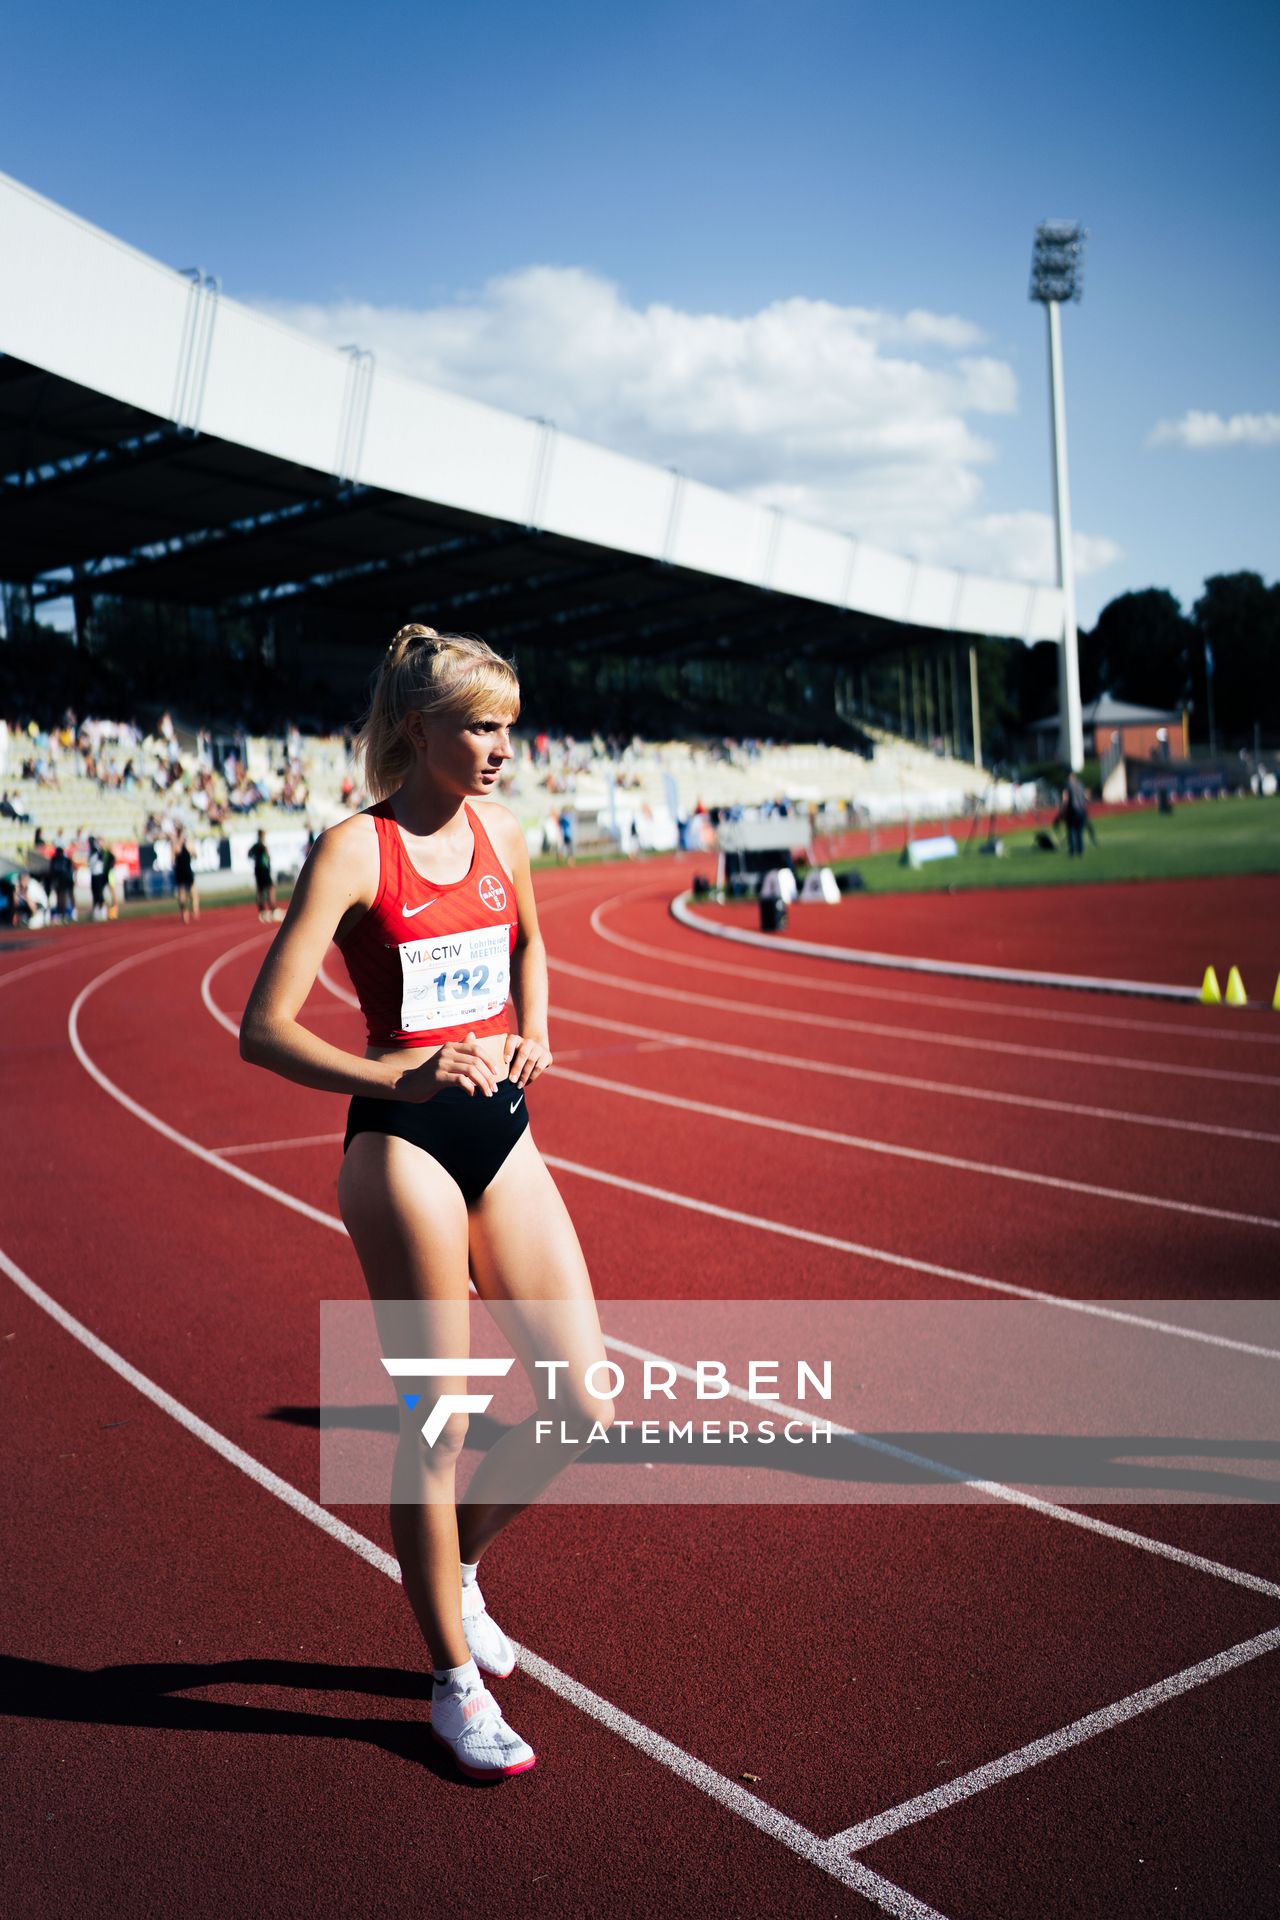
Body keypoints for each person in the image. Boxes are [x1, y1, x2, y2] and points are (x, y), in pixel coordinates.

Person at [239, 624, 614, 1783]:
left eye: (509, 725)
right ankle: (452, 1685)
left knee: (582, 1404)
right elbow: (263, 1028)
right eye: (481, 727)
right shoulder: (353, 851)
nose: (504, 747)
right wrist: (391, 1077)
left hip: (501, 1130)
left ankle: (455, 1566)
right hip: (400, 1143)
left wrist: (535, 1029)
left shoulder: (505, 831)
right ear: (418, 728)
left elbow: (531, 948)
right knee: (441, 1428)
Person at [1057, 773, 1090, 858]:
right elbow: (1087, 797)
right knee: (1079, 832)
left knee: (1071, 831)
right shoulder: (1081, 785)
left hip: (1072, 812)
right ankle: (1080, 851)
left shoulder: (1068, 787)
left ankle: (1072, 851)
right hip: (1081, 811)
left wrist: (1062, 811)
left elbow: (1065, 800)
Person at [250, 829, 278, 922]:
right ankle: (272, 909)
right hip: (263, 869)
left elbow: (249, 854)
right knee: (270, 888)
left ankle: (262, 910)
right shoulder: (261, 845)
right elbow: (266, 856)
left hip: (258, 869)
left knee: (261, 890)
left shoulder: (256, 846)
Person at [173, 829, 199, 923]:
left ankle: (189, 912)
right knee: (187, 892)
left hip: (181, 870)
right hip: (184, 870)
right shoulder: (180, 844)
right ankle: (189, 913)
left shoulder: (177, 844)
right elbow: (175, 853)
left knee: (187, 892)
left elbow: (195, 855)